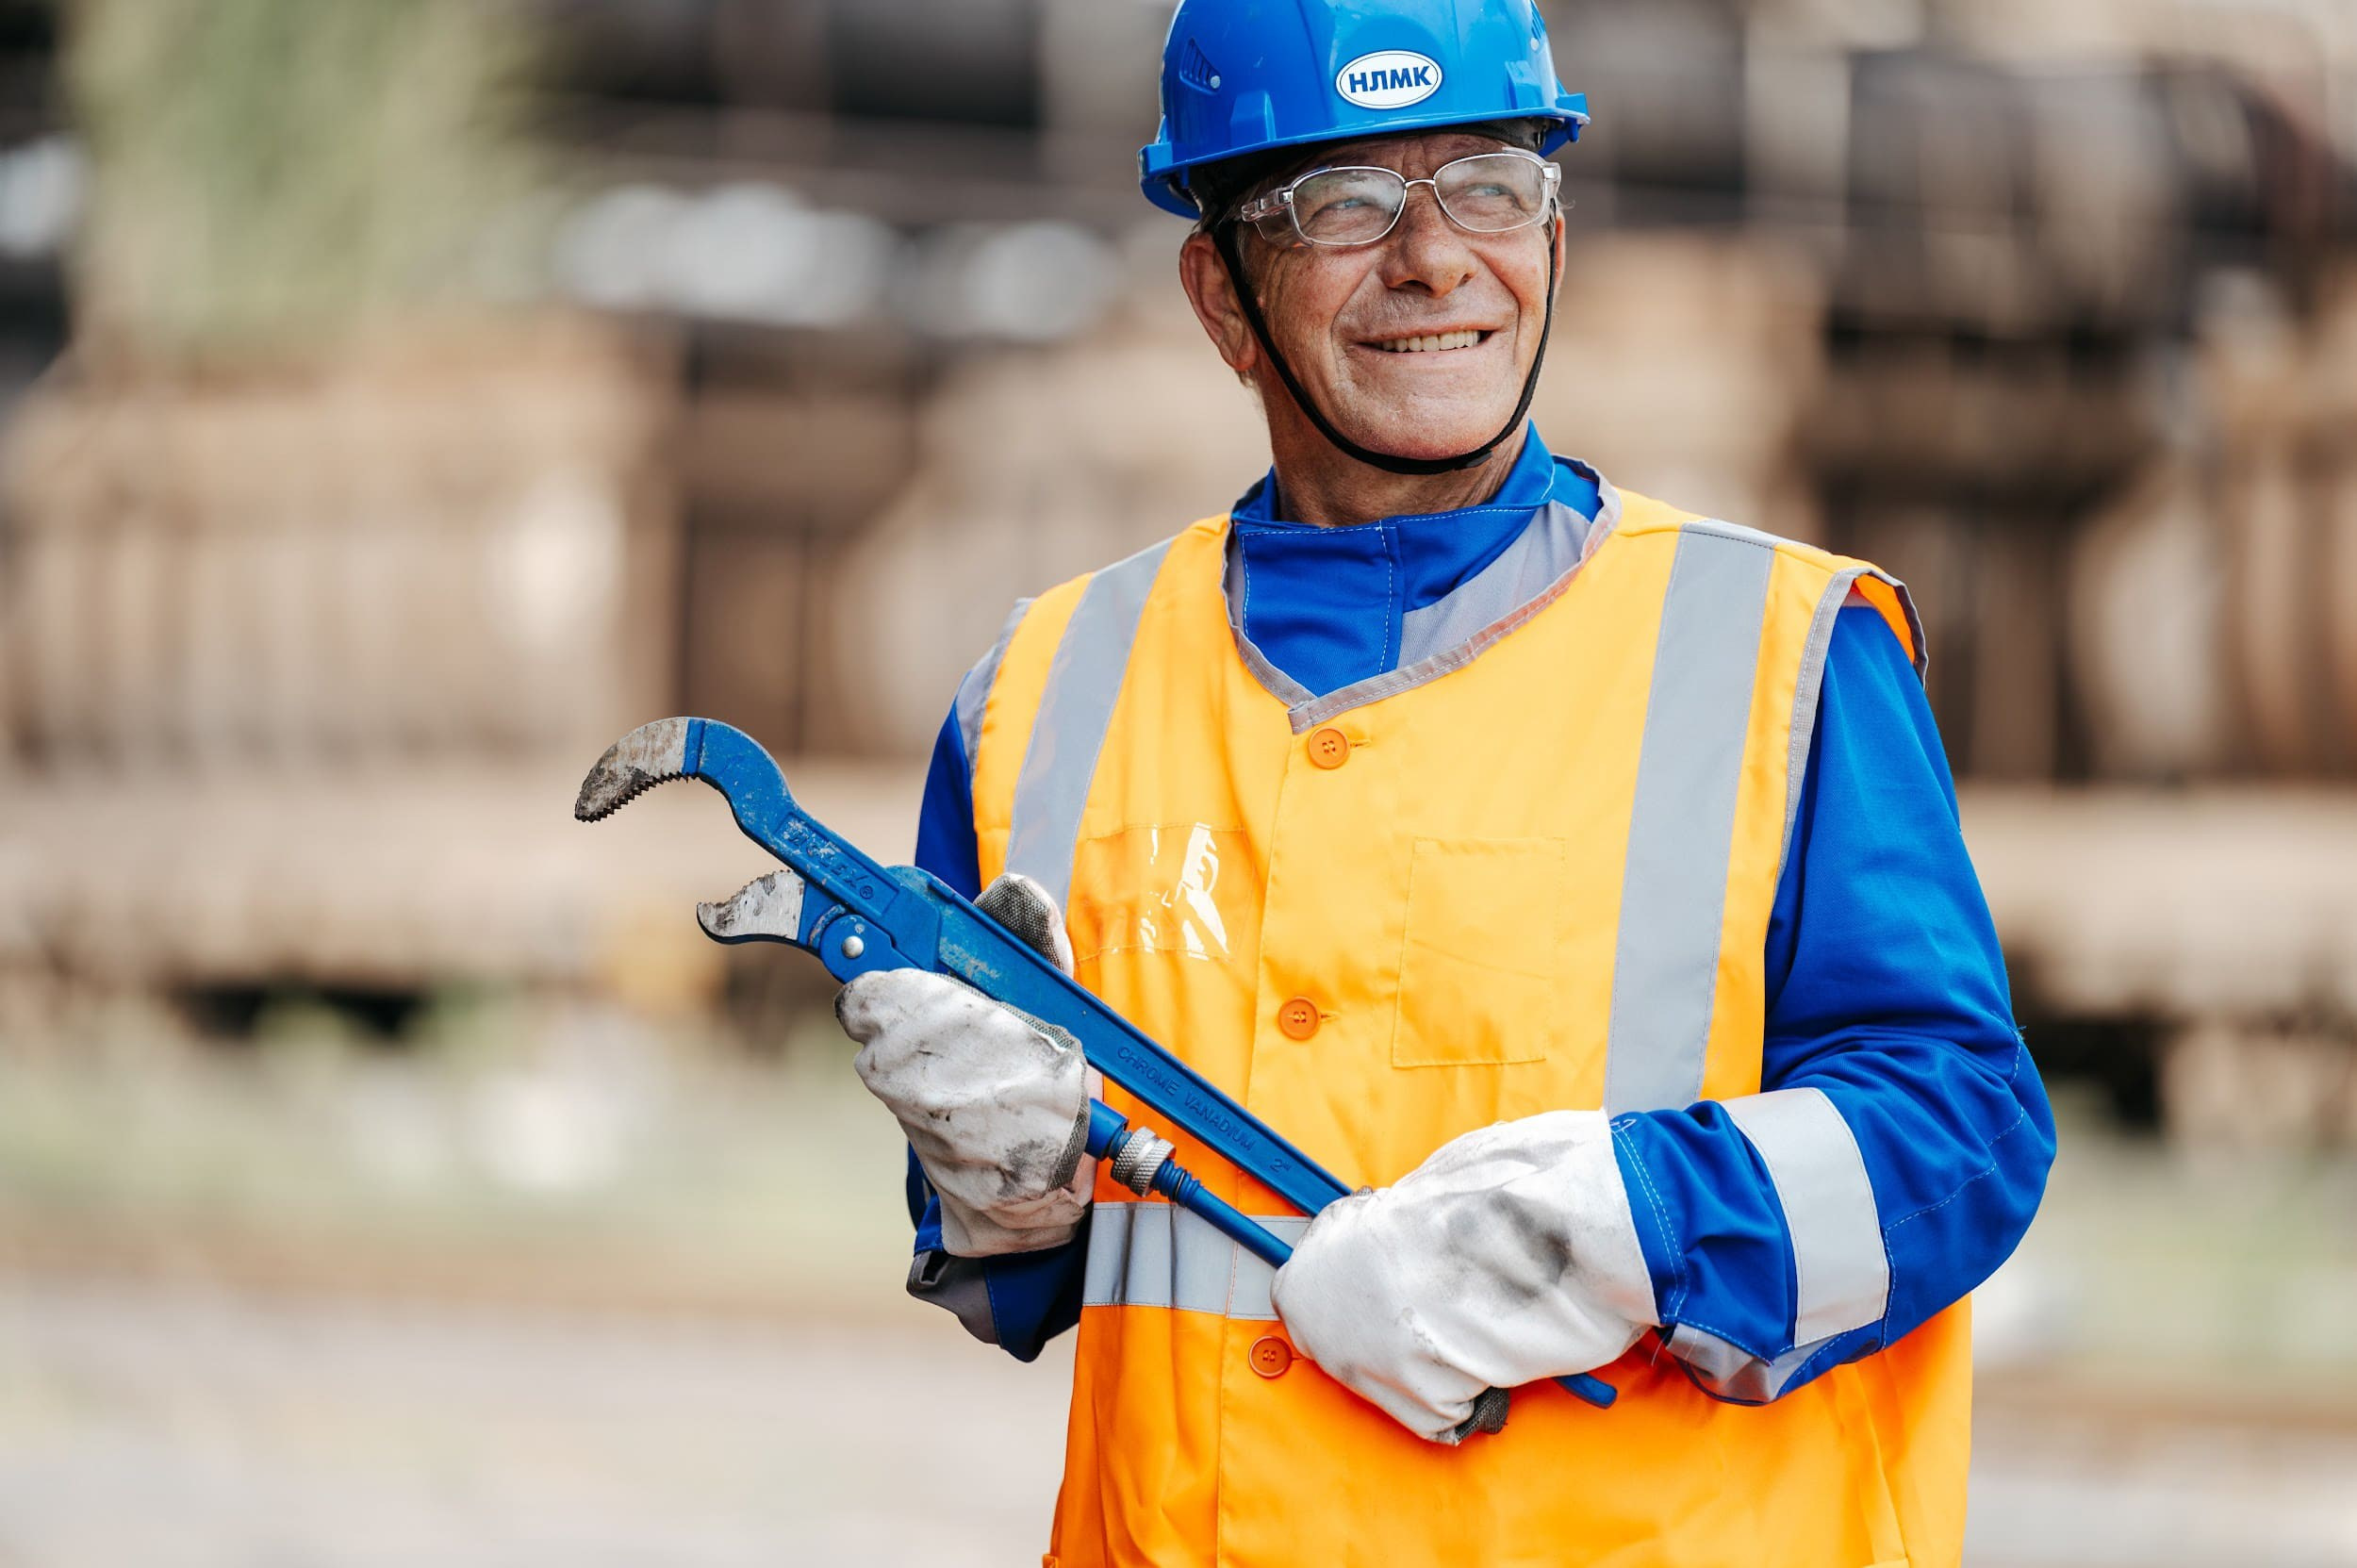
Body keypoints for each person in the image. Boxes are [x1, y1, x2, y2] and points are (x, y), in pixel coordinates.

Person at [833, 3, 2055, 1563]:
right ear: (1220, 291)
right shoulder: (1047, 690)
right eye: (1345, 203)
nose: (1433, 258)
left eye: (1487, 181)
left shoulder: (1778, 653)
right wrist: (998, 1187)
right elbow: (1023, 1280)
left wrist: (1630, 1225)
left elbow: (1966, 1137)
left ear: (1556, 233)